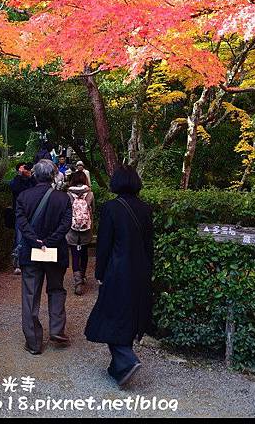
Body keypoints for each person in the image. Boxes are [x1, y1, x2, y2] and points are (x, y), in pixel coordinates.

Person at [84, 165, 153, 388]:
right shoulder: (145, 208)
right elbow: (148, 245)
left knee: (108, 315)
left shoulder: (111, 208)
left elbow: (104, 244)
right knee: (128, 314)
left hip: (117, 270)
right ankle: (118, 368)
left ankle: (127, 358)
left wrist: (99, 272)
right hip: (140, 270)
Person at [16, 159, 73, 355]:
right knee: (56, 289)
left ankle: (33, 342)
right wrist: (49, 241)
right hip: (55, 252)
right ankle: (57, 330)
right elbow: (66, 225)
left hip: (31, 253)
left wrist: (36, 241)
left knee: (30, 295)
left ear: (34, 174)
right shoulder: (63, 199)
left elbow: (22, 224)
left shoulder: (23, 197)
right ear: (52, 175)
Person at [66, 171, 94, 295]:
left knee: (74, 254)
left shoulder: (68, 194)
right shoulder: (90, 194)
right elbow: (93, 210)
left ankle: (77, 282)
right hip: (86, 229)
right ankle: (82, 276)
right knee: (84, 253)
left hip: (72, 229)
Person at [9, 162, 36, 274]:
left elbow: (36, 189)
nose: (25, 169)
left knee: (33, 236)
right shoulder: (16, 180)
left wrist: (30, 176)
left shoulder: (31, 180)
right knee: (19, 237)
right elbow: (15, 188)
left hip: (32, 213)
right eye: (23, 168)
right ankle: (18, 263)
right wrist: (19, 175)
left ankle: (32, 261)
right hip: (20, 213)